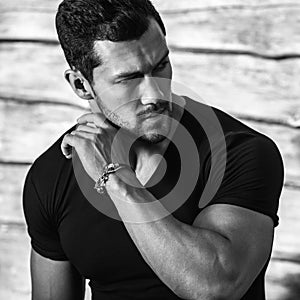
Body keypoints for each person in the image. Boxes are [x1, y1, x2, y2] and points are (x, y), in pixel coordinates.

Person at [22, 0, 284, 299]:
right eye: (130, 78)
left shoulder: (238, 150)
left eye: (160, 65)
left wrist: (116, 177)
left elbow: (215, 287)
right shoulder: (52, 175)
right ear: (82, 86)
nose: (155, 94)